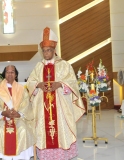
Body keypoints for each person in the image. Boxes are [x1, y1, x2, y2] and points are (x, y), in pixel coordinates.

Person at [27, 27, 85, 160]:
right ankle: (46, 156)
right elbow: (31, 82)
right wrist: (38, 85)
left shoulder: (64, 65)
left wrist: (60, 84)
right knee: (43, 131)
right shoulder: (39, 66)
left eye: (48, 50)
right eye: (44, 51)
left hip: (60, 107)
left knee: (61, 130)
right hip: (43, 107)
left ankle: (62, 155)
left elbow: (72, 82)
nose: (46, 53)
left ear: (54, 50)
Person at [0, 65, 35, 160]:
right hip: (2, 118)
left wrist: (19, 113)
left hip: (19, 118)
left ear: (16, 75)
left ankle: (21, 157)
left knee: (23, 130)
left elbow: (26, 104)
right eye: (8, 72)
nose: (10, 74)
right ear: (4, 74)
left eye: (12, 72)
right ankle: (4, 157)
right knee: (0, 131)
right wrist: (3, 113)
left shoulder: (22, 89)